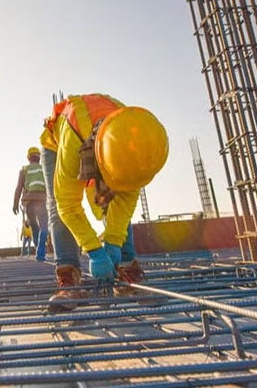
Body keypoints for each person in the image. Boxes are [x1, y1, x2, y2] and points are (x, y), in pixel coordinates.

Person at [40, 93, 168, 311]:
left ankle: (126, 268)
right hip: (60, 142)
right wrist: (95, 252)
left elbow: (125, 200)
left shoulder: (136, 142)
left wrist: (114, 243)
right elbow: (67, 205)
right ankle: (69, 278)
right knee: (56, 206)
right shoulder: (74, 141)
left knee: (115, 198)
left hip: (106, 140)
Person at [12, 146, 49, 261]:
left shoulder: (24, 170)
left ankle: (38, 250)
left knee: (34, 227)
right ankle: (41, 250)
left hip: (29, 202)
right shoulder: (43, 169)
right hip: (41, 200)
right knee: (44, 226)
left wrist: (15, 203)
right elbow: (49, 186)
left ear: (29, 158)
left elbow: (19, 188)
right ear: (39, 157)